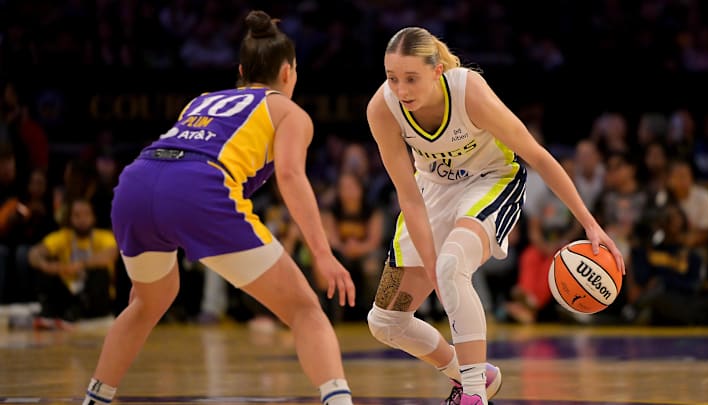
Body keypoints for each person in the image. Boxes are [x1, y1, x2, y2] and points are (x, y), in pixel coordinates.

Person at [80, 10, 355, 405]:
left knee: (147, 301)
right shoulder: (289, 111)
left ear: (241, 70)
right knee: (305, 309)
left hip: (136, 182)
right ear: (289, 73)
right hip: (196, 186)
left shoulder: (202, 100)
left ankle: (96, 398)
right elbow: (291, 177)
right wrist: (323, 253)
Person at [365, 27, 625, 405]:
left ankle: (472, 396)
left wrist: (589, 221)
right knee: (385, 323)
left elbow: (536, 156)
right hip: (432, 190)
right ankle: (473, 376)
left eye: (411, 78)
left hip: (490, 181)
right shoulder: (382, 108)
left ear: (437, 71)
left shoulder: (468, 90)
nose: (401, 90)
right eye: (392, 78)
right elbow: (410, 197)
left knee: (452, 265)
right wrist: (430, 262)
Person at [28, 198, 117, 326]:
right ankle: (54, 311)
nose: (82, 220)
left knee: (100, 272)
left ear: (93, 217)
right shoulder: (63, 236)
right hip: (69, 294)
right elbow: (34, 254)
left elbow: (110, 255)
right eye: (77, 215)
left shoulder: (104, 237)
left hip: (94, 298)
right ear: (70, 219)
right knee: (44, 270)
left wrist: (80, 265)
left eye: (86, 215)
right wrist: (47, 266)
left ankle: (76, 311)